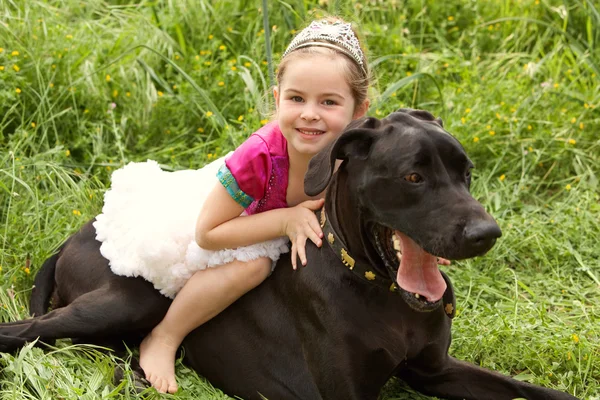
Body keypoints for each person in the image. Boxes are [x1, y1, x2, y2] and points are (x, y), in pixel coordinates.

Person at [93, 17, 371, 394]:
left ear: (359, 111)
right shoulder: (260, 157)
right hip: (231, 223)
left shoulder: (353, 152)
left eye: (329, 102)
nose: (309, 113)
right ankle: (164, 337)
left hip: (279, 228)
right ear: (277, 98)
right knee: (253, 267)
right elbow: (207, 234)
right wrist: (286, 220)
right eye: (296, 98)